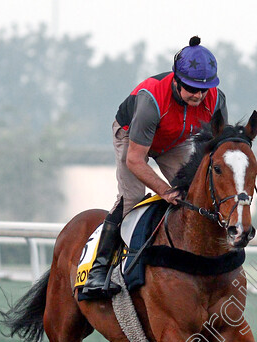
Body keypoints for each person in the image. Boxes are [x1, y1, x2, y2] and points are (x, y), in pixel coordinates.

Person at [81, 36, 229, 299]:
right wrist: (164, 190)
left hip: (174, 140)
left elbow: (215, 151)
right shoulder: (151, 101)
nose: (198, 95)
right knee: (133, 197)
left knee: (196, 193)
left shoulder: (216, 101)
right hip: (132, 137)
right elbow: (135, 160)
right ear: (176, 80)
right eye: (191, 88)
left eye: (203, 90)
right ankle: (98, 270)